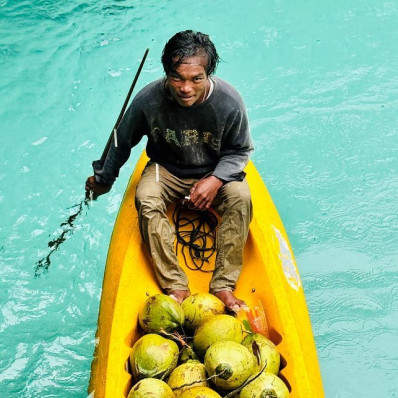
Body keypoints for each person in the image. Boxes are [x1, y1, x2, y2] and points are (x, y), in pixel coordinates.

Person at [85, 30, 253, 311]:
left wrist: (214, 179)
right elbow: (122, 141)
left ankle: (224, 285)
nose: (186, 87)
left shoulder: (229, 101)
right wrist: (104, 178)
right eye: (177, 77)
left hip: (214, 170)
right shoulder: (149, 99)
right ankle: (175, 284)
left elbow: (240, 151)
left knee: (241, 197)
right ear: (166, 73)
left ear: (208, 74)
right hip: (167, 169)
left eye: (196, 79)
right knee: (146, 197)